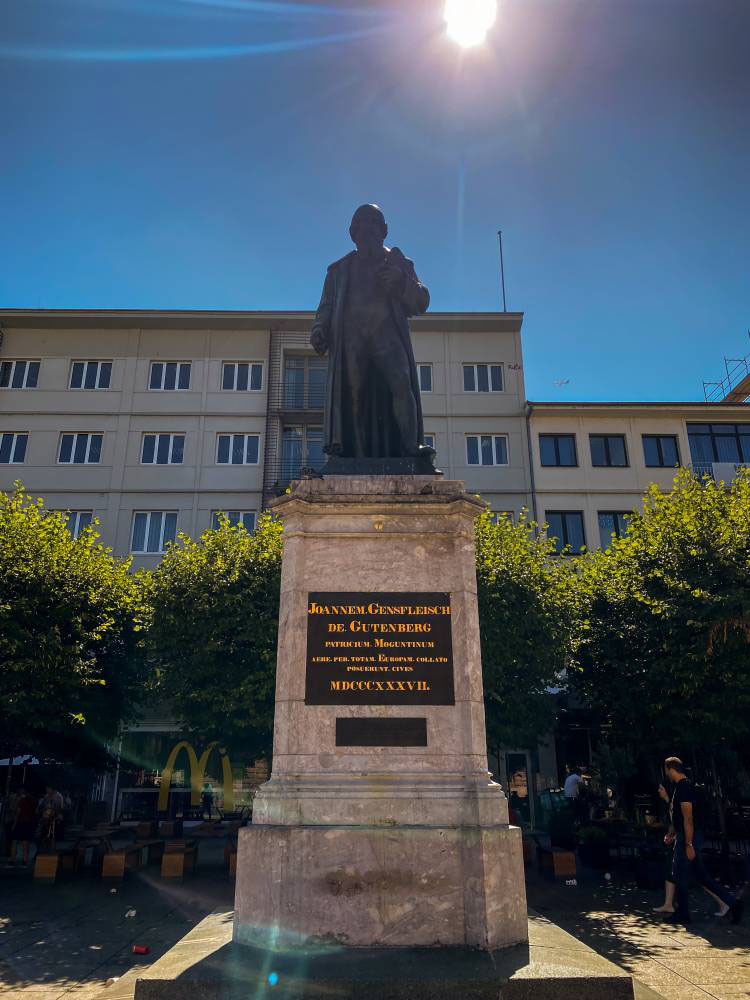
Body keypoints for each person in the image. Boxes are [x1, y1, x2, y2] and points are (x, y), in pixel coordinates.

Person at [311, 204, 433, 461]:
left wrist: (402, 281)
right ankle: (355, 455)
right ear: (352, 233)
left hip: (386, 335)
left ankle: (411, 445)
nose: (368, 227)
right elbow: (326, 306)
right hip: (351, 339)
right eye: (362, 223)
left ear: (384, 230)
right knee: (354, 396)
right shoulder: (338, 271)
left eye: (374, 222)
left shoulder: (398, 263)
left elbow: (421, 301)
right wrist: (320, 328)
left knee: (401, 383)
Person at [661, 757, 743, 925]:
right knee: (701, 876)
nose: (666, 774)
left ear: (671, 769)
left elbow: (688, 818)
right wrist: (672, 833)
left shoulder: (684, 788)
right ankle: (734, 904)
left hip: (688, 836)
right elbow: (678, 816)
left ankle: (683, 913)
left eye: (666, 770)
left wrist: (688, 844)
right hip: (687, 835)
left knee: (679, 874)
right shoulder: (682, 787)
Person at [9, 787, 37, 867]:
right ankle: (25, 860)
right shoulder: (33, 801)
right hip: (28, 823)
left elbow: (18, 813)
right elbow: (35, 812)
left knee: (14, 841)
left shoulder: (22, 801)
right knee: (25, 842)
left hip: (20, 822)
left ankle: (12, 860)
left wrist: (14, 825)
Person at [36, 785, 64, 850]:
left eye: (48, 789)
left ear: (52, 789)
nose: (47, 790)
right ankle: (46, 851)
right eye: (46, 789)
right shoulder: (46, 796)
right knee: (44, 836)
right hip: (45, 819)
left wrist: (56, 816)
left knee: (52, 837)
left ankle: (52, 852)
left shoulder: (58, 796)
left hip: (54, 819)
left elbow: (58, 809)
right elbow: (42, 807)